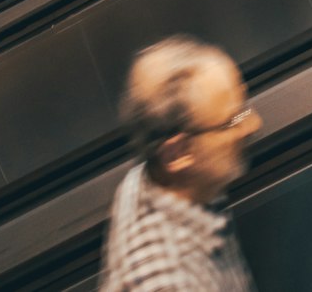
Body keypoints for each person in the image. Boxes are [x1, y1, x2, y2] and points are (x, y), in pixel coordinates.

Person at [99, 36, 261, 292]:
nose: (253, 124)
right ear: (177, 154)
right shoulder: (168, 282)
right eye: (231, 121)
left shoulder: (153, 182)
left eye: (244, 107)